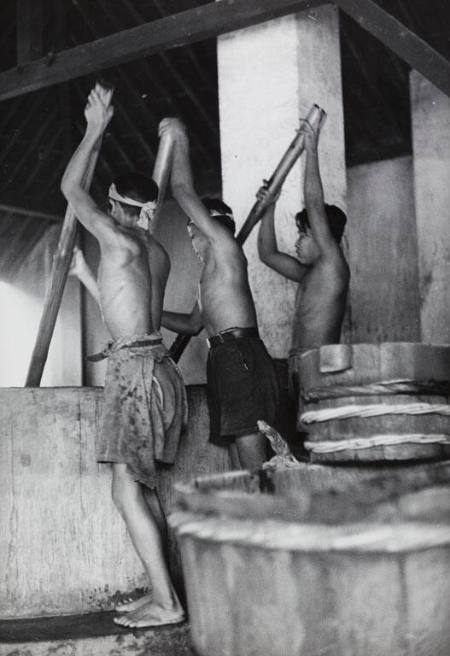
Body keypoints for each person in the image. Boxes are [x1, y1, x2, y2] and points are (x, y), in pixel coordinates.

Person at [60, 84, 186, 629]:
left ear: (114, 205)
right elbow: (131, 310)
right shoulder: (154, 248)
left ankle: (168, 602)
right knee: (141, 486)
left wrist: (95, 128)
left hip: (135, 376)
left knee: (124, 487)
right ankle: (167, 593)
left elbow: (69, 186)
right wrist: (89, 281)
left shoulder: (113, 235)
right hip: (157, 368)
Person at [159, 118, 279, 472]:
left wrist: (179, 137)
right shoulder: (209, 276)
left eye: (192, 231)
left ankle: (265, 524)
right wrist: (151, 313)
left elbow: (181, 189)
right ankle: (249, 522)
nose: (191, 241)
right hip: (224, 360)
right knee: (241, 465)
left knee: (254, 466)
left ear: (207, 226)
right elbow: (194, 325)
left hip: (241, 357)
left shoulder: (225, 248)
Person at [257, 118, 349, 398]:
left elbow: (314, 204)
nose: (297, 242)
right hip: (298, 364)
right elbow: (268, 254)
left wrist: (311, 149)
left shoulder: (333, 266)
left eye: (303, 235)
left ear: (324, 239)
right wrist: (269, 208)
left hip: (320, 364)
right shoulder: (309, 274)